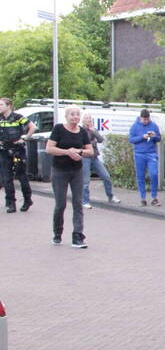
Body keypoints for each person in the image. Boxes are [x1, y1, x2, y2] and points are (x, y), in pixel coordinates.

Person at [45, 106, 93, 248]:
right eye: (72, 114)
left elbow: (90, 151)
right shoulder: (59, 129)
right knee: (61, 204)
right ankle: (57, 233)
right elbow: (49, 149)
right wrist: (67, 152)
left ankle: (77, 236)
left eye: (78, 115)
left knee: (78, 203)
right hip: (60, 170)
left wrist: (79, 151)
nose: (75, 117)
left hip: (76, 171)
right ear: (66, 116)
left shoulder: (82, 131)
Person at [0, 97, 35, 213]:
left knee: (21, 176)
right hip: (4, 151)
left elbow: (32, 127)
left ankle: (27, 200)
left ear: (8, 105)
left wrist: (25, 138)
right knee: (7, 178)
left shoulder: (17, 117)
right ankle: (11, 203)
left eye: (1, 105)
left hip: (17, 150)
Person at [80, 113, 121, 208]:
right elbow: (81, 143)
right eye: (87, 118)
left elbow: (100, 140)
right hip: (85, 157)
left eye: (90, 118)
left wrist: (94, 132)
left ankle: (111, 196)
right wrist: (91, 142)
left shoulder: (93, 130)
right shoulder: (81, 131)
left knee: (106, 176)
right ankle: (85, 201)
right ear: (83, 121)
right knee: (86, 180)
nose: (89, 120)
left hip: (94, 157)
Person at [128, 109, 162, 206]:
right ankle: (143, 198)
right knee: (140, 176)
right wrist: (142, 137)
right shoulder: (134, 126)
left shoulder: (154, 125)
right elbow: (131, 139)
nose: (146, 121)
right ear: (140, 118)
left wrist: (154, 136)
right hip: (139, 153)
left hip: (151, 153)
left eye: (147, 119)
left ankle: (154, 197)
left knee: (154, 174)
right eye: (144, 120)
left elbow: (159, 138)